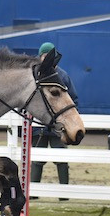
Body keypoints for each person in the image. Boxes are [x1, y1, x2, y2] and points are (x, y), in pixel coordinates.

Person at [31, 42, 79, 192]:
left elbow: (73, 99)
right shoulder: (34, 76)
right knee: (38, 160)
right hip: (39, 127)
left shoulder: (63, 76)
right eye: (44, 56)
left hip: (58, 128)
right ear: (40, 57)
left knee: (61, 159)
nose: (46, 59)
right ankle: (33, 191)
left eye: (48, 56)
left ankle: (64, 192)